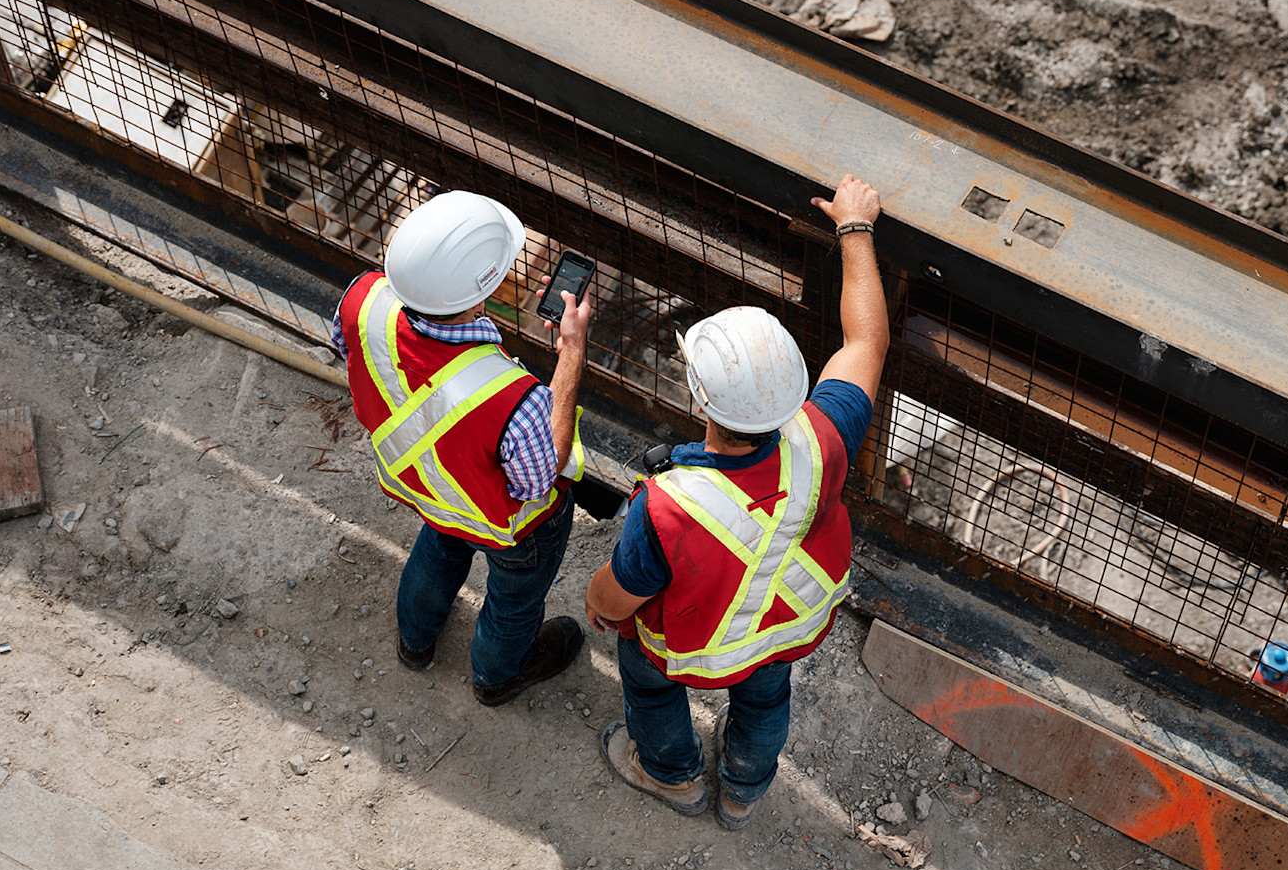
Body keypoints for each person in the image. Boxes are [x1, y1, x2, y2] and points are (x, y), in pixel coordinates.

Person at [584, 173, 887, 830]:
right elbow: (865, 342)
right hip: (780, 631)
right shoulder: (825, 434)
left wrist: (596, 602)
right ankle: (744, 790)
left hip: (686, 644)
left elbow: (620, 595)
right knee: (764, 697)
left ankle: (672, 774)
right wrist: (855, 228)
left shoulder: (665, 505)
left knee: (646, 676)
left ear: (700, 401)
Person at [331, 190, 591, 707]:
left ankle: (415, 643)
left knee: (440, 544)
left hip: (428, 486)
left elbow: (347, 350)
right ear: (480, 295)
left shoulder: (360, 301)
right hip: (508, 525)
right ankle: (496, 677)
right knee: (514, 599)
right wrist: (571, 352)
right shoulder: (514, 399)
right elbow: (539, 479)